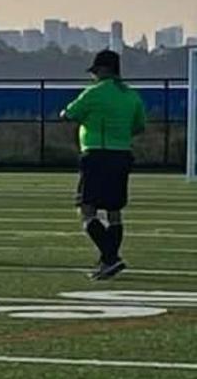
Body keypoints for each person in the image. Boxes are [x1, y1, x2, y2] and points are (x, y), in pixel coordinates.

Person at [60, 50, 146, 281]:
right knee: (114, 211)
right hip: (122, 155)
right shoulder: (131, 96)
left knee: (87, 209)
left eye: (96, 71)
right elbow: (139, 126)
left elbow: (69, 113)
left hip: (96, 154)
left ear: (104, 70)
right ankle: (108, 260)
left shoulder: (94, 93)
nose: (94, 76)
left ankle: (110, 257)